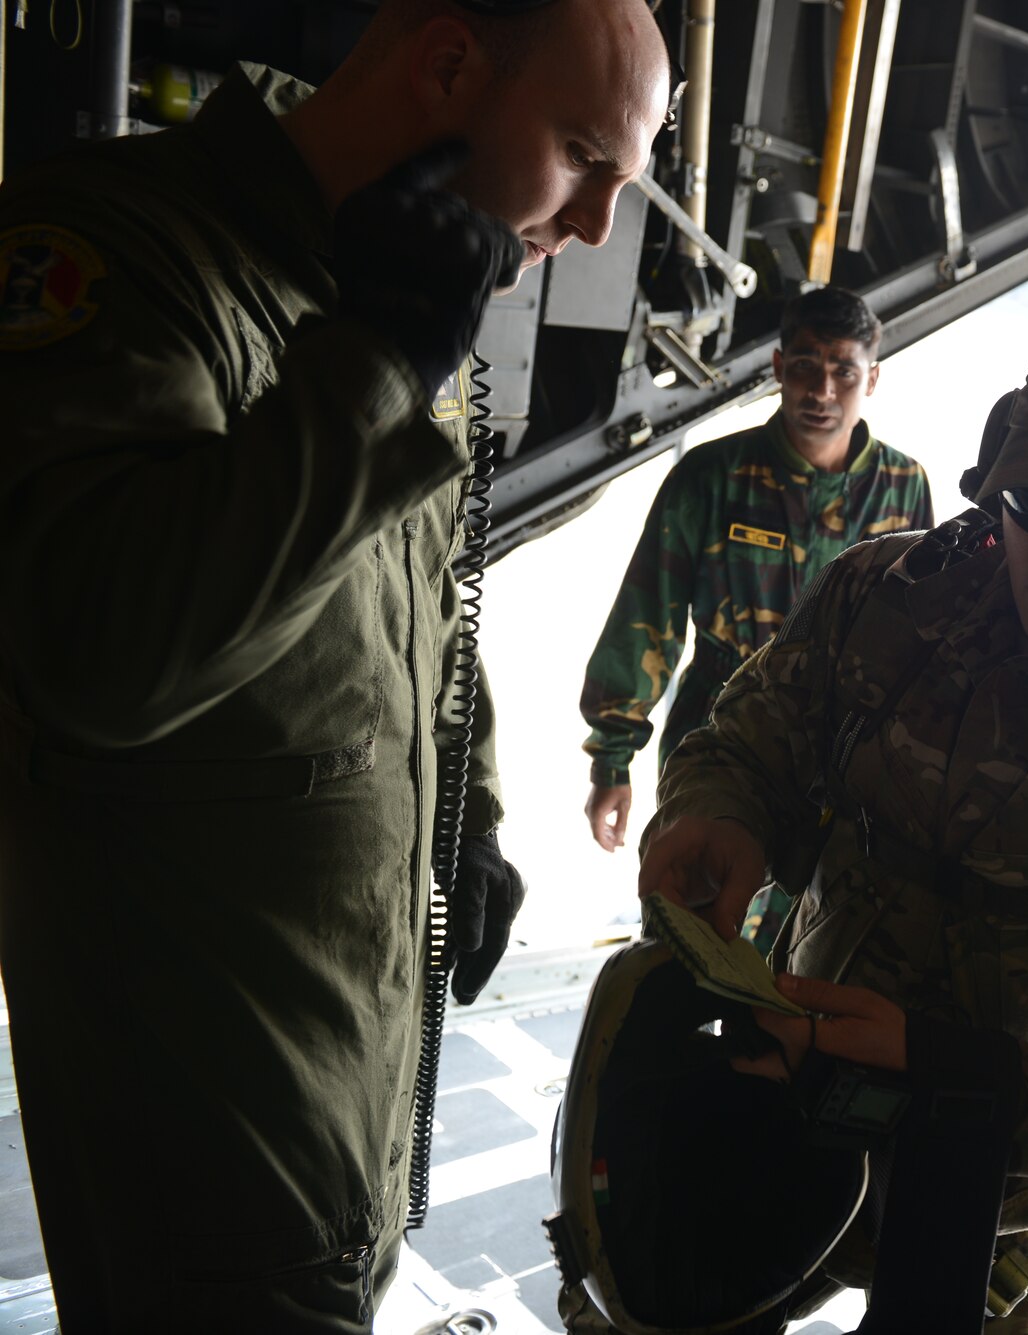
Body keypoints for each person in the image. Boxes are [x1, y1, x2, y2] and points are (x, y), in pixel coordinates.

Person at [0, 1, 676, 1328]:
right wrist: (371, 361)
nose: (597, 226)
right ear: (443, 64)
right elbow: (94, 651)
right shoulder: (117, 249)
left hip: (346, 1075)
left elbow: (419, 596)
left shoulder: (402, 285)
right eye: (584, 156)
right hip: (197, 1117)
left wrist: (465, 815)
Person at [628, 305, 1028, 1332]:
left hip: (1014, 1197)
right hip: (791, 1102)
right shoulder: (889, 596)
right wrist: (719, 816)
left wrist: (956, 1080)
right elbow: (748, 745)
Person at [577, 287, 933, 913]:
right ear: (777, 369)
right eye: (804, 367)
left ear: (871, 378)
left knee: (817, 942)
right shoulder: (712, 477)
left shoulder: (903, 487)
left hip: (845, 744)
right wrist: (612, 758)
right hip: (720, 732)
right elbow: (647, 618)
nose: (822, 392)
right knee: (695, 917)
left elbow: (921, 632)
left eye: (843, 371)